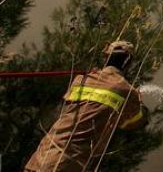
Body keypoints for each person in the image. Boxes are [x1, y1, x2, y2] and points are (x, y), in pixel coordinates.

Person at [25, 40, 149, 171]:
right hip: (67, 163)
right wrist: (139, 102)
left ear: (106, 57)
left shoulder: (80, 80)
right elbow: (136, 122)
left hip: (42, 155)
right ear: (128, 62)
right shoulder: (126, 91)